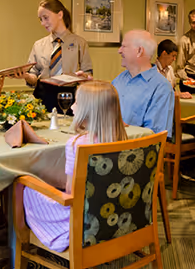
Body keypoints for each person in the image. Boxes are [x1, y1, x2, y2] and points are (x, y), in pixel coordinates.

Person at [22, 81, 128, 252]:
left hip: (80, 221)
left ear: (88, 111)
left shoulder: (77, 144)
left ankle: (21, 243)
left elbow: (71, 193)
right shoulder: (122, 140)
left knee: (23, 185)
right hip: (112, 214)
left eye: (77, 102)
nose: (72, 106)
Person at [23, 0, 93, 111]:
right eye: (40, 19)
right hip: (42, 97)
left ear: (60, 14)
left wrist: (84, 77)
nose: (42, 23)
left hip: (70, 97)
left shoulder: (80, 43)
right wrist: (25, 76)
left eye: (46, 18)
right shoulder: (38, 45)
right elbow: (33, 76)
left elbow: (88, 74)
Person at [112, 30, 175, 138]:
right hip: (105, 145)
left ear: (139, 51)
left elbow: (155, 138)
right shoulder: (119, 79)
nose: (119, 51)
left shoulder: (161, 87)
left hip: (132, 152)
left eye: (124, 46)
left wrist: (121, 128)